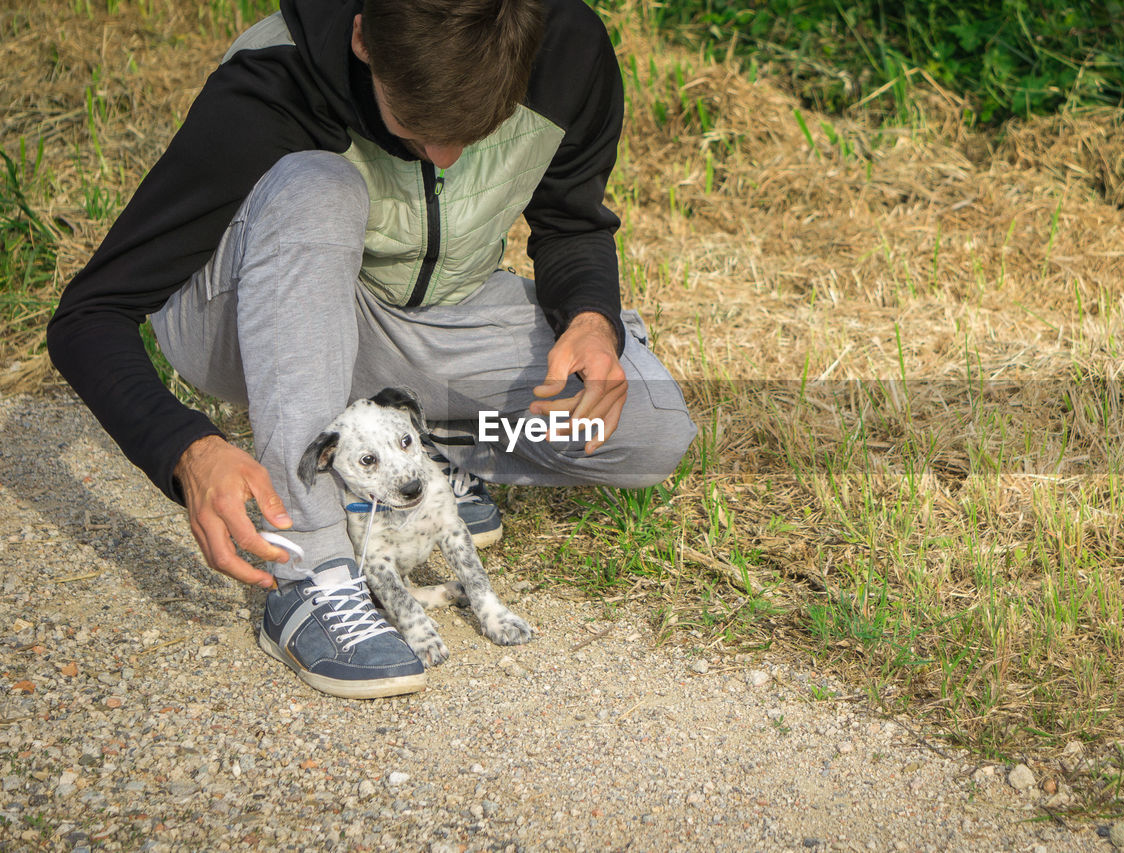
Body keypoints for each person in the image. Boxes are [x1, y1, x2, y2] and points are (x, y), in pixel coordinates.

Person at [46, 0, 696, 698]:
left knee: (650, 432)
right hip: (246, 314)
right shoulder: (275, 76)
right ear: (363, 38)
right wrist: (186, 449)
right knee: (318, 186)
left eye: (476, 133)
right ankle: (312, 574)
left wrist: (593, 317)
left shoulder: (568, 46)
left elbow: (572, 221)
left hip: (414, 319)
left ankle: (400, 449)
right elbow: (88, 316)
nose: (444, 156)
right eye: (415, 131)